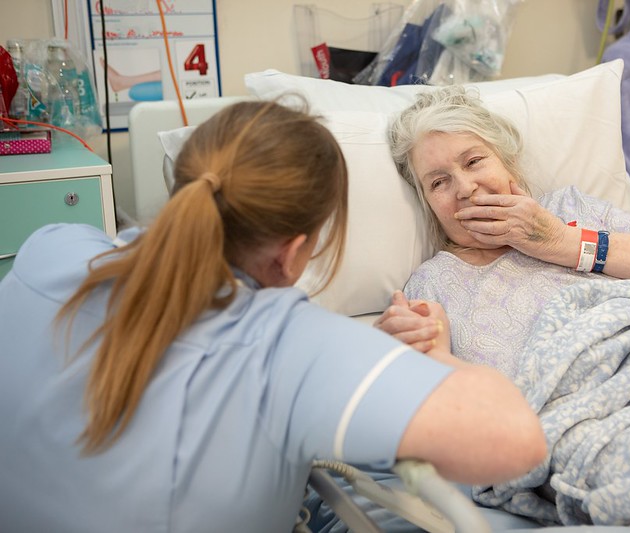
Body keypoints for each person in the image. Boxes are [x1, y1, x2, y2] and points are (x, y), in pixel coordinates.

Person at [0, 100, 547, 532]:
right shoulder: (290, 345)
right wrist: (434, 357)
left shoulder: (51, 250)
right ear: (291, 256)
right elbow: (514, 440)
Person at [374, 86, 630, 378]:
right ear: (427, 203)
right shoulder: (434, 284)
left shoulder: (571, 208)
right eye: (439, 182)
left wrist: (560, 241)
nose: (465, 188)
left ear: (507, 160)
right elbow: (440, 398)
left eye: (474, 161)